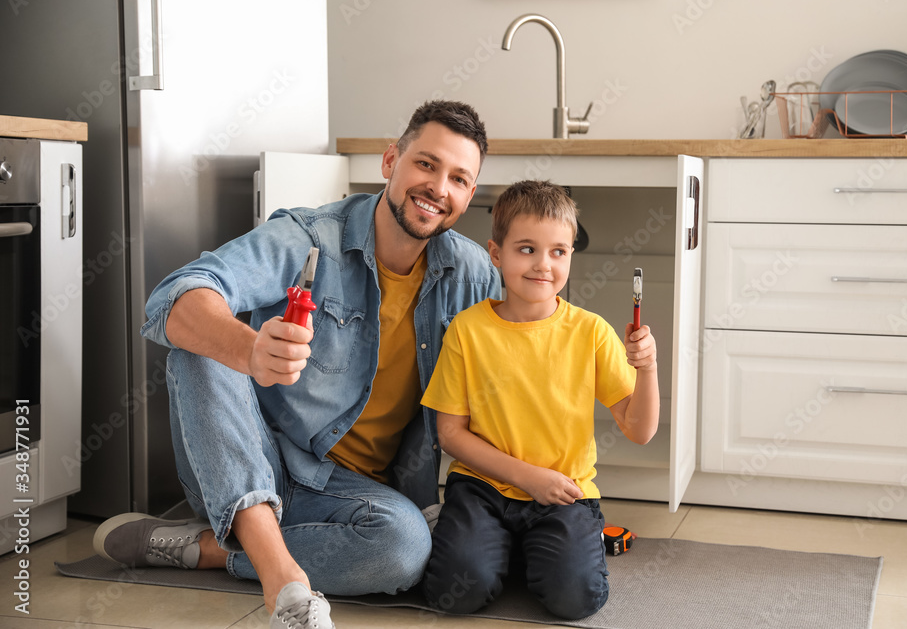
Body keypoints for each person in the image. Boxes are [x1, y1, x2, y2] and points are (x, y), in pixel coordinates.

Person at [92, 100, 500, 629]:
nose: (438, 188)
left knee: (406, 548)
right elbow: (174, 296)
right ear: (390, 161)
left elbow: (526, 352)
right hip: (240, 458)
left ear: (469, 195)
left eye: (458, 178)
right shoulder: (308, 237)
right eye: (425, 164)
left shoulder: (472, 275)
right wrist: (249, 350)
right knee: (201, 350)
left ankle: (210, 549)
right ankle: (286, 588)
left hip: (344, 493)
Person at [420, 180, 659, 620]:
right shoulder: (467, 331)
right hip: (482, 488)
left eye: (558, 252)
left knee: (575, 600)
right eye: (526, 249)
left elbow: (640, 431)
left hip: (564, 493)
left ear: (570, 254)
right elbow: (450, 434)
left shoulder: (592, 333)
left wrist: (648, 368)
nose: (543, 265)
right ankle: (495, 545)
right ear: (496, 253)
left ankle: (521, 550)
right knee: (455, 593)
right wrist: (529, 478)